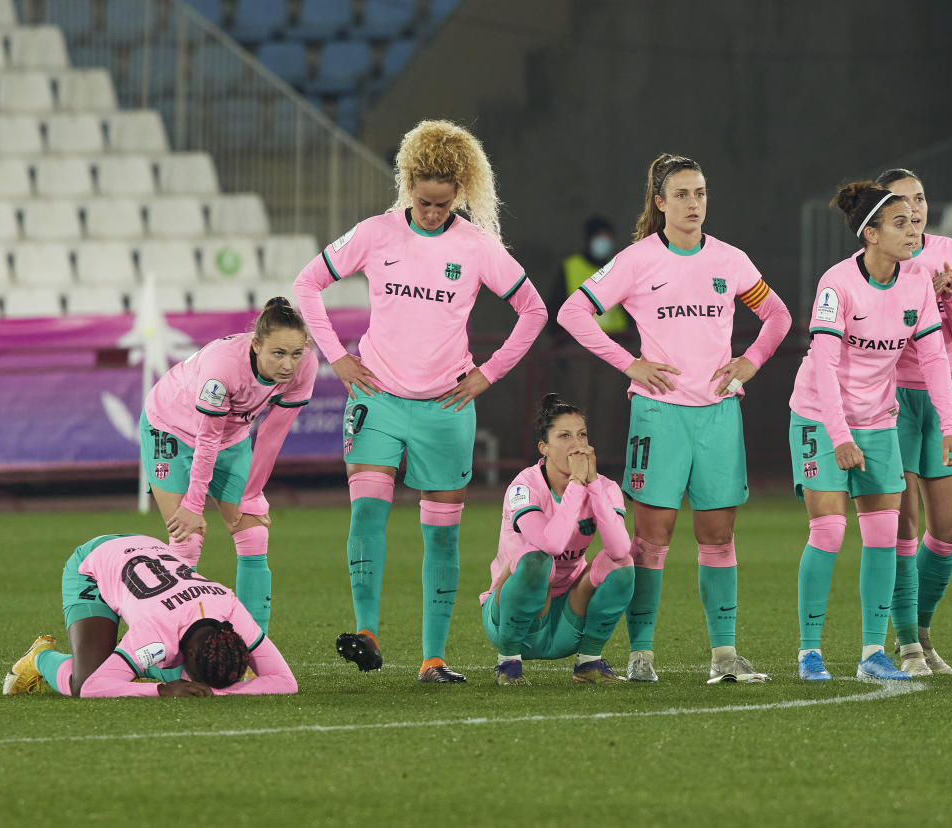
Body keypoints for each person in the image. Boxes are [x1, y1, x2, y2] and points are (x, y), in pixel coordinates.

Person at [293, 119, 547, 682]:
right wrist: (336, 355)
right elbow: (307, 284)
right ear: (407, 184)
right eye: (423, 201)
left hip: (446, 407)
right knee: (365, 513)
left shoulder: (478, 247)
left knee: (442, 534)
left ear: (459, 192)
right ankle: (367, 632)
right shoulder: (375, 233)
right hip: (377, 397)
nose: (432, 213)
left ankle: (433, 659)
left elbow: (534, 310)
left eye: (443, 202)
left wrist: (489, 373)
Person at [557, 153, 791, 684]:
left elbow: (778, 315)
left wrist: (749, 363)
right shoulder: (638, 259)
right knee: (650, 537)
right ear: (660, 203)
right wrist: (631, 362)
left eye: (701, 193)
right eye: (682, 194)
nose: (693, 204)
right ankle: (642, 657)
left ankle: (725, 656)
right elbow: (572, 311)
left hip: (718, 415)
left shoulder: (730, 261)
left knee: (718, 534)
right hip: (658, 414)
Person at [789, 181, 952, 683]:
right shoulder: (837, 283)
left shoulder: (917, 282)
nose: (914, 231)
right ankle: (809, 653)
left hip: (879, 419)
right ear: (871, 234)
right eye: (901, 224)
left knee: (884, 534)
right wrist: (839, 435)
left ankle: (872, 653)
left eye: (915, 221)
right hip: (820, 415)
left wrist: (949, 428)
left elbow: (934, 359)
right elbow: (823, 364)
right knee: (828, 530)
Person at [141, 297, 317, 635]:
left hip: (233, 437)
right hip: (171, 428)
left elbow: (271, 435)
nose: (288, 365)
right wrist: (194, 505)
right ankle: (175, 643)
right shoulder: (223, 369)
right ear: (256, 344)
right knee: (187, 537)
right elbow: (206, 440)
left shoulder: (305, 367)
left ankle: (252, 647)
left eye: (295, 354)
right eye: (278, 353)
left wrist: (252, 494)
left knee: (254, 533)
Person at [874, 168, 952, 676]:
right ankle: (908, 644)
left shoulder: (949, 251)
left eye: (920, 197)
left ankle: (922, 629)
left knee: (949, 530)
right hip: (892, 398)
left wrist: (948, 296)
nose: (914, 209)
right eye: (901, 202)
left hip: (943, 398)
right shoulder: (883, 259)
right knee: (903, 526)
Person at [2, 533, 297, 697]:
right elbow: (95, 688)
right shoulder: (155, 633)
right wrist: (163, 690)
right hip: (94, 565)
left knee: (161, 675)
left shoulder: (232, 613)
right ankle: (40, 658)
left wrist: (220, 692)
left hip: (147, 551)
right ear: (190, 655)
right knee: (82, 681)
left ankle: (137, 670)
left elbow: (286, 682)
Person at [480, 394, 635, 685]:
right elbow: (550, 546)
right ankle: (508, 664)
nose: (576, 444)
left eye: (582, 435)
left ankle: (589, 663)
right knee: (538, 561)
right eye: (564, 435)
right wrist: (577, 485)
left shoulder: (606, 487)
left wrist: (593, 487)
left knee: (622, 563)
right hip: (511, 622)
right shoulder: (524, 487)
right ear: (545, 448)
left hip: (567, 620)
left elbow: (619, 549)